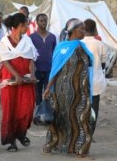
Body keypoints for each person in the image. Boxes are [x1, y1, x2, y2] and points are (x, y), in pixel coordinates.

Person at [42, 18, 94, 156]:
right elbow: (55, 70)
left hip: (80, 93)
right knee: (60, 118)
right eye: (81, 29)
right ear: (73, 31)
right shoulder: (62, 48)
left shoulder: (82, 47)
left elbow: (88, 67)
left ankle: (80, 150)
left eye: (84, 29)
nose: (84, 31)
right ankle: (51, 145)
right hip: (61, 93)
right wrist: (48, 88)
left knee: (81, 119)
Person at [0, 13, 38, 152]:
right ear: (20, 26)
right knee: (11, 110)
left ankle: (21, 134)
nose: (28, 27)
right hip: (10, 80)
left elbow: (31, 59)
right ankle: (12, 141)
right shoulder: (5, 41)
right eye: (26, 24)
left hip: (26, 79)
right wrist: (16, 76)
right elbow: (4, 60)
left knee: (27, 109)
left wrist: (32, 74)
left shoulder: (27, 41)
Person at [82, 19, 107, 138]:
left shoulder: (79, 43)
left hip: (81, 81)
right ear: (95, 29)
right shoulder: (100, 44)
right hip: (96, 82)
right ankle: (89, 134)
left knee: (81, 107)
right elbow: (103, 64)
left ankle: (81, 132)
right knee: (93, 109)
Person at [29, 13, 56, 106]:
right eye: (41, 21)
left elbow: (54, 53)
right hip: (36, 69)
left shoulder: (52, 37)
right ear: (37, 22)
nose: (43, 23)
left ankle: (47, 113)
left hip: (49, 69)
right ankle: (39, 113)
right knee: (37, 93)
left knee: (48, 92)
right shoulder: (31, 37)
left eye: (45, 20)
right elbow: (30, 55)